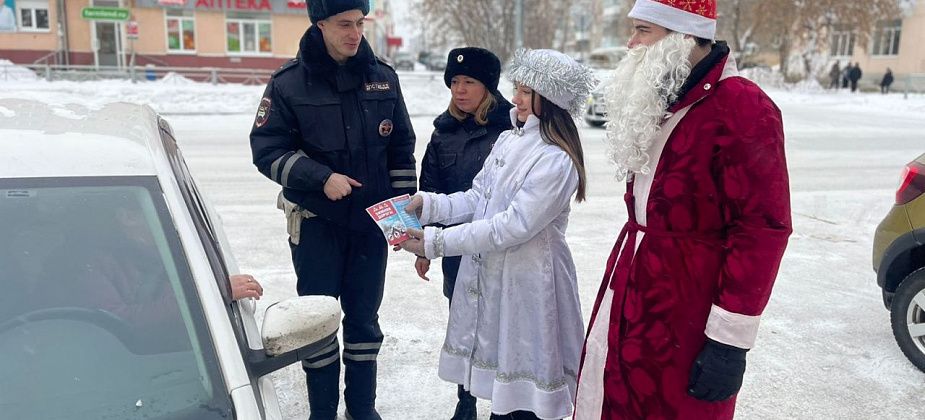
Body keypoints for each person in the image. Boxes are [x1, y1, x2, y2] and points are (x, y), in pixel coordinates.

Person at [574, 1, 792, 419]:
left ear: (683, 37)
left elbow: (762, 230)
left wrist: (729, 341)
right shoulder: (666, 95)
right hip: (633, 280)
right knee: (613, 392)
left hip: (689, 305)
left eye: (643, 31)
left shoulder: (743, 106)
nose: (630, 42)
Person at [398, 48, 595, 420]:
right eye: (517, 89)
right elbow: (478, 197)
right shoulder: (510, 140)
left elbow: (513, 225)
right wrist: (430, 205)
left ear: (549, 99)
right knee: (505, 386)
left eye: (525, 91)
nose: (516, 99)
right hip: (498, 277)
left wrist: (437, 242)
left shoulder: (556, 158)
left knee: (526, 385)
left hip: (531, 284)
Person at [248, 0, 417, 418]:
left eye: (360, 23)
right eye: (344, 24)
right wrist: (319, 177)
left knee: (364, 324)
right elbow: (266, 150)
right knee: (318, 322)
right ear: (320, 24)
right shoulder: (288, 83)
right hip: (316, 225)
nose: (355, 33)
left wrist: (401, 224)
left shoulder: (383, 78)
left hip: (369, 227)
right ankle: (321, 412)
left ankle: (363, 410)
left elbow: (401, 151)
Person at [413, 46, 513, 420]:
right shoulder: (443, 134)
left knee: (501, 327)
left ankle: (503, 402)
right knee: (463, 324)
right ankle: (465, 399)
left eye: (469, 82)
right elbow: (431, 190)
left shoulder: (510, 128)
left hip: (500, 248)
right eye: (454, 82)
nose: (459, 90)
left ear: (488, 86)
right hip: (454, 248)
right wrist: (425, 246)